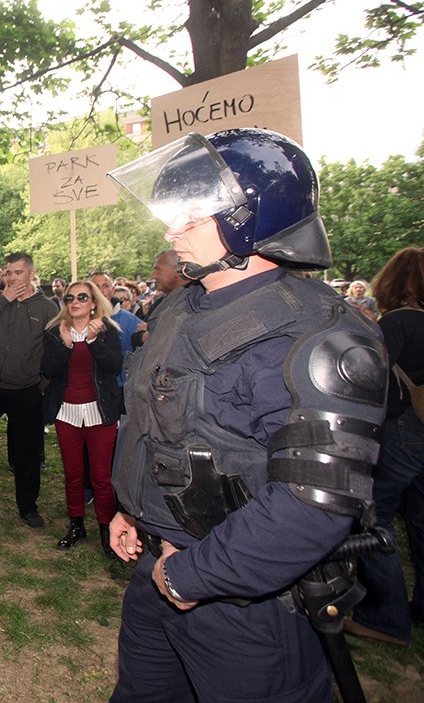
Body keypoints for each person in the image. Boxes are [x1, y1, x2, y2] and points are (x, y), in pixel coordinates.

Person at [106, 129, 386, 702]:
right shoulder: (180, 308)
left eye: (190, 217)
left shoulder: (318, 335)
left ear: (246, 218)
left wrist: (193, 575)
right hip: (158, 570)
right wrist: (132, 510)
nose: (170, 230)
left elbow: (312, 504)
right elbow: (153, 426)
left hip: (247, 606)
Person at [348, 247, 424, 646]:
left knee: (373, 516)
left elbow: (370, 376)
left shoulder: (399, 322)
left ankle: (386, 617)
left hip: (403, 428)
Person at [0, 251, 57, 528]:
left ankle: (28, 506)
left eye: (17, 272)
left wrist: (40, 384)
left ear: (30, 273)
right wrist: (3, 299)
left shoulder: (47, 308)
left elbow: (54, 352)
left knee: (27, 452)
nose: (12, 277)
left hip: (26, 390)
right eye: (8, 273)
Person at [40, 280, 122, 554]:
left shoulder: (107, 331)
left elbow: (113, 366)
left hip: (100, 411)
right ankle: (76, 525)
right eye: (69, 298)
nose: (74, 302)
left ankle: (106, 529)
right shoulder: (55, 332)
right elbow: (48, 369)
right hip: (67, 412)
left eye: (82, 297)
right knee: (73, 474)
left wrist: (93, 341)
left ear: (94, 303)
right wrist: (66, 345)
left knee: (101, 476)